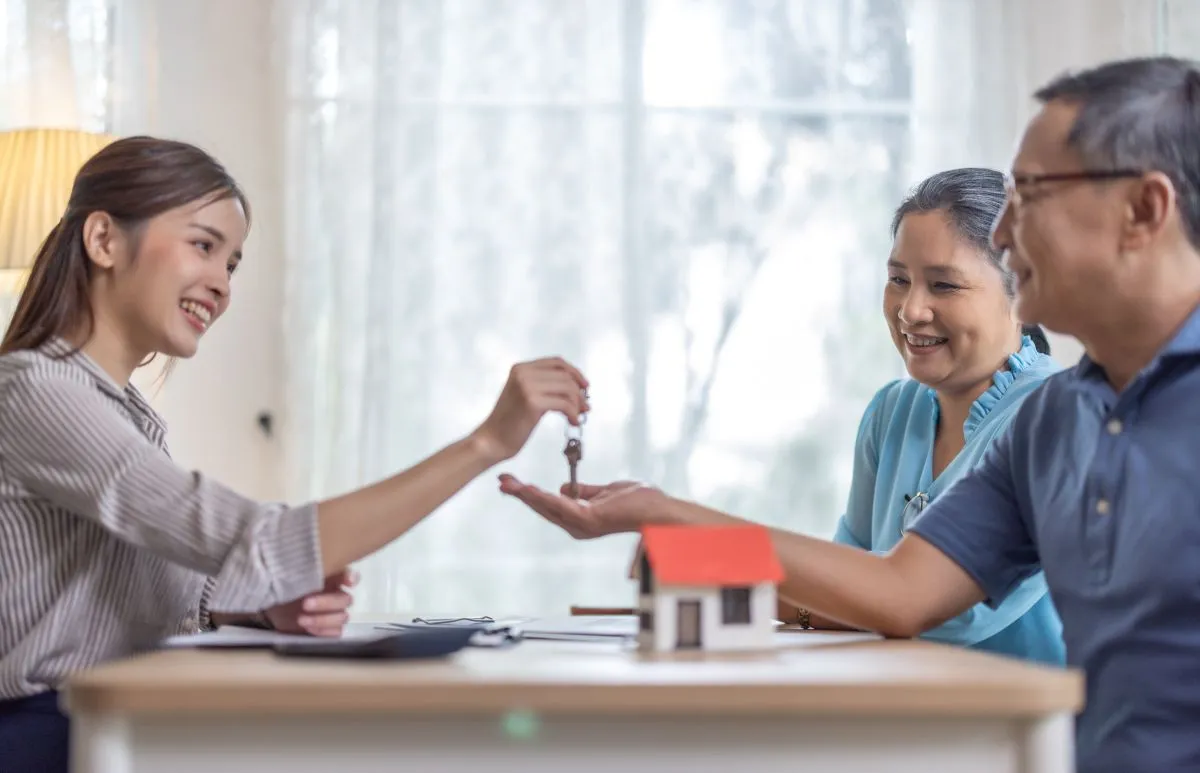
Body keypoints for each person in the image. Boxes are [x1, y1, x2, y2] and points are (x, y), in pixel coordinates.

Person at [500, 56, 1200, 773]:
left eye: (1032, 194)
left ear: (1143, 211)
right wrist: (663, 514)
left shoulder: (1040, 406)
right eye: (898, 278)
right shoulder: (1054, 421)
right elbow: (896, 592)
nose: (1001, 232)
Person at [0, 136, 588, 773]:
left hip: (106, 728)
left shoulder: (124, 413)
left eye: (232, 264)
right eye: (204, 246)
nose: (222, 284)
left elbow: (126, 588)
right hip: (47, 739)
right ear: (104, 240)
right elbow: (259, 540)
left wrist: (252, 604)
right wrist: (487, 444)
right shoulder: (37, 392)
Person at [774, 167, 1064, 665]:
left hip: (1020, 729)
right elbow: (845, 578)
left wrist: (745, 586)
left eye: (944, 286)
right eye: (898, 280)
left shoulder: (1054, 416)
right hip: (905, 716)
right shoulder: (890, 413)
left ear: (1024, 293)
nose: (911, 310)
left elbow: (947, 615)